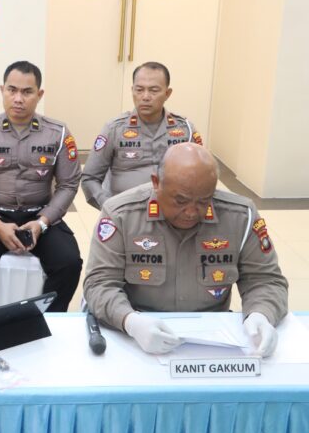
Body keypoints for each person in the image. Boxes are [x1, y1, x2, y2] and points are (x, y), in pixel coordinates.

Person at [83, 143, 289, 356]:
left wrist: (261, 314)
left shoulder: (240, 217)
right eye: (180, 200)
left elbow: (265, 280)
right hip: (138, 334)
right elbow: (100, 283)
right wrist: (130, 321)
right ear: (156, 183)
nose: (191, 211)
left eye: (204, 201)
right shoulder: (121, 215)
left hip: (214, 338)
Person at [0, 60, 82, 312]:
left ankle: (47, 319)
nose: (18, 99)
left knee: (69, 262)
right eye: (12, 90)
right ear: (2, 90)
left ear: (39, 94)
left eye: (27, 92)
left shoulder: (58, 133)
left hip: (41, 216)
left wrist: (42, 223)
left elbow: (69, 184)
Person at [81, 61, 202, 210]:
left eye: (154, 90)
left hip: (173, 212)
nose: (145, 97)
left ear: (167, 93)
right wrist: (109, 207)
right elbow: (90, 178)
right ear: (132, 90)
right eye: (139, 90)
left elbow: (202, 176)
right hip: (125, 211)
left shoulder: (185, 130)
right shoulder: (114, 129)